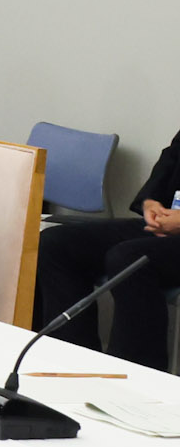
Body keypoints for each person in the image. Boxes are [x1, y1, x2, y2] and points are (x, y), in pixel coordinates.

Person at [32, 126, 180, 368]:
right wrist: (151, 201)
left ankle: (136, 380)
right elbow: (173, 155)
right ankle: (72, 364)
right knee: (56, 244)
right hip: (169, 220)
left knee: (129, 259)